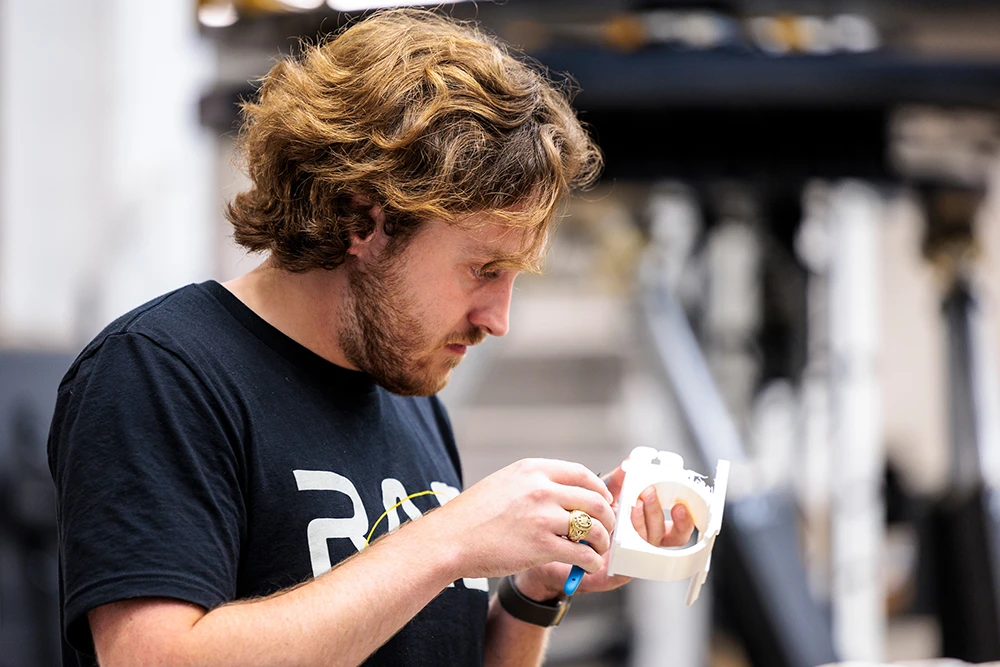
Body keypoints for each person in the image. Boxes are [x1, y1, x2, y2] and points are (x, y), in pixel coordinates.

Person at [48, 9, 693, 667]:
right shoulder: (160, 373)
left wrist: (536, 589)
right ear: (363, 220)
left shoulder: (409, 396)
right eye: (484, 269)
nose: (498, 319)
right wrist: (451, 539)